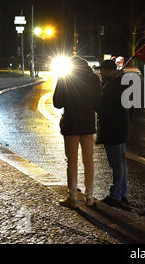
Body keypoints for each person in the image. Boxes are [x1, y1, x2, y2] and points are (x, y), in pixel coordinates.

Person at [53, 55, 101, 208]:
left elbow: (57, 103)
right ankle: (90, 197)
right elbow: (98, 103)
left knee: (71, 161)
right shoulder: (94, 79)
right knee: (89, 161)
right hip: (87, 124)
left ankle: (72, 196)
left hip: (71, 124)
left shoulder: (65, 78)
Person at [97, 60, 130, 207]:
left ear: (108, 70)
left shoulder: (113, 85)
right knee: (120, 162)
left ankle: (116, 195)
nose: (101, 73)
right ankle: (122, 192)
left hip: (113, 128)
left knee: (116, 163)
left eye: (102, 70)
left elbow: (105, 107)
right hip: (120, 126)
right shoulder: (121, 82)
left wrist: (96, 105)